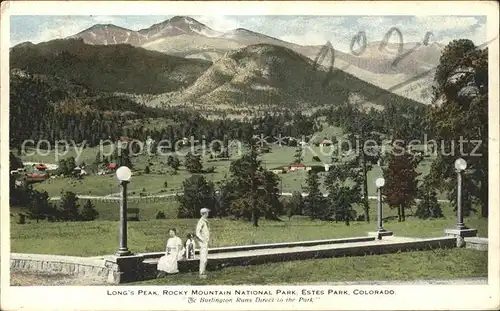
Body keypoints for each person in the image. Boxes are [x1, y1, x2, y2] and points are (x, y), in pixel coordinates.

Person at [195, 208, 210, 279]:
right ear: (204, 213)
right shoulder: (201, 221)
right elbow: (197, 233)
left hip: (205, 242)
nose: (208, 214)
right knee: (203, 258)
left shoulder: (205, 221)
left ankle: (203, 271)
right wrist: (202, 239)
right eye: (207, 213)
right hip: (203, 242)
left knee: (205, 257)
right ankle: (201, 273)